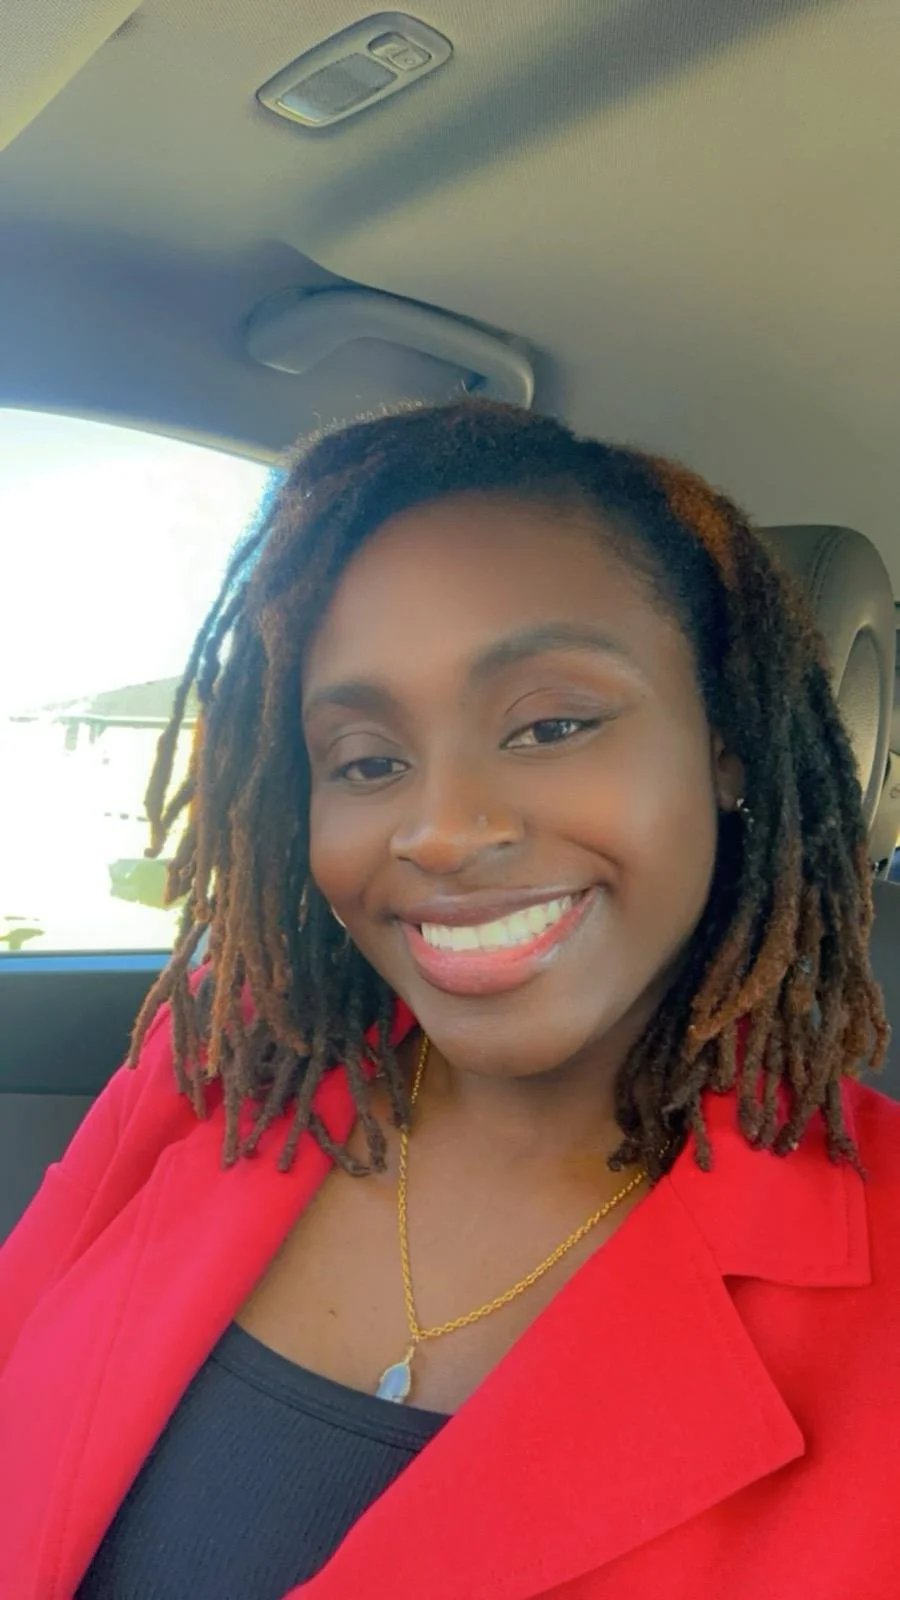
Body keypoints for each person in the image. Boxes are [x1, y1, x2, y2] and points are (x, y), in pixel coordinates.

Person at [1, 399, 898, 1600]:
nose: (439, 830)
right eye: (368, 760)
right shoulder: (217, 1065)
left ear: (724, 741)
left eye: (552, 723)